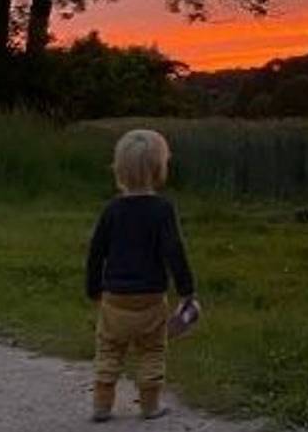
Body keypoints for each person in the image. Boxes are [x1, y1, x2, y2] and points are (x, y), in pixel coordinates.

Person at [86, 129, 195, 422]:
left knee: (109, 348)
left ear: (119, 168)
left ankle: (101, 405)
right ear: (160, 168)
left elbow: (96, 252)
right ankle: (149, 406)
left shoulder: (112, 210)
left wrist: (93, 288)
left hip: (115, 297)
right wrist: (187, 291)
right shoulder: (162, 209)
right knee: (152, 350)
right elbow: (174, 251)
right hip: (150, 296)